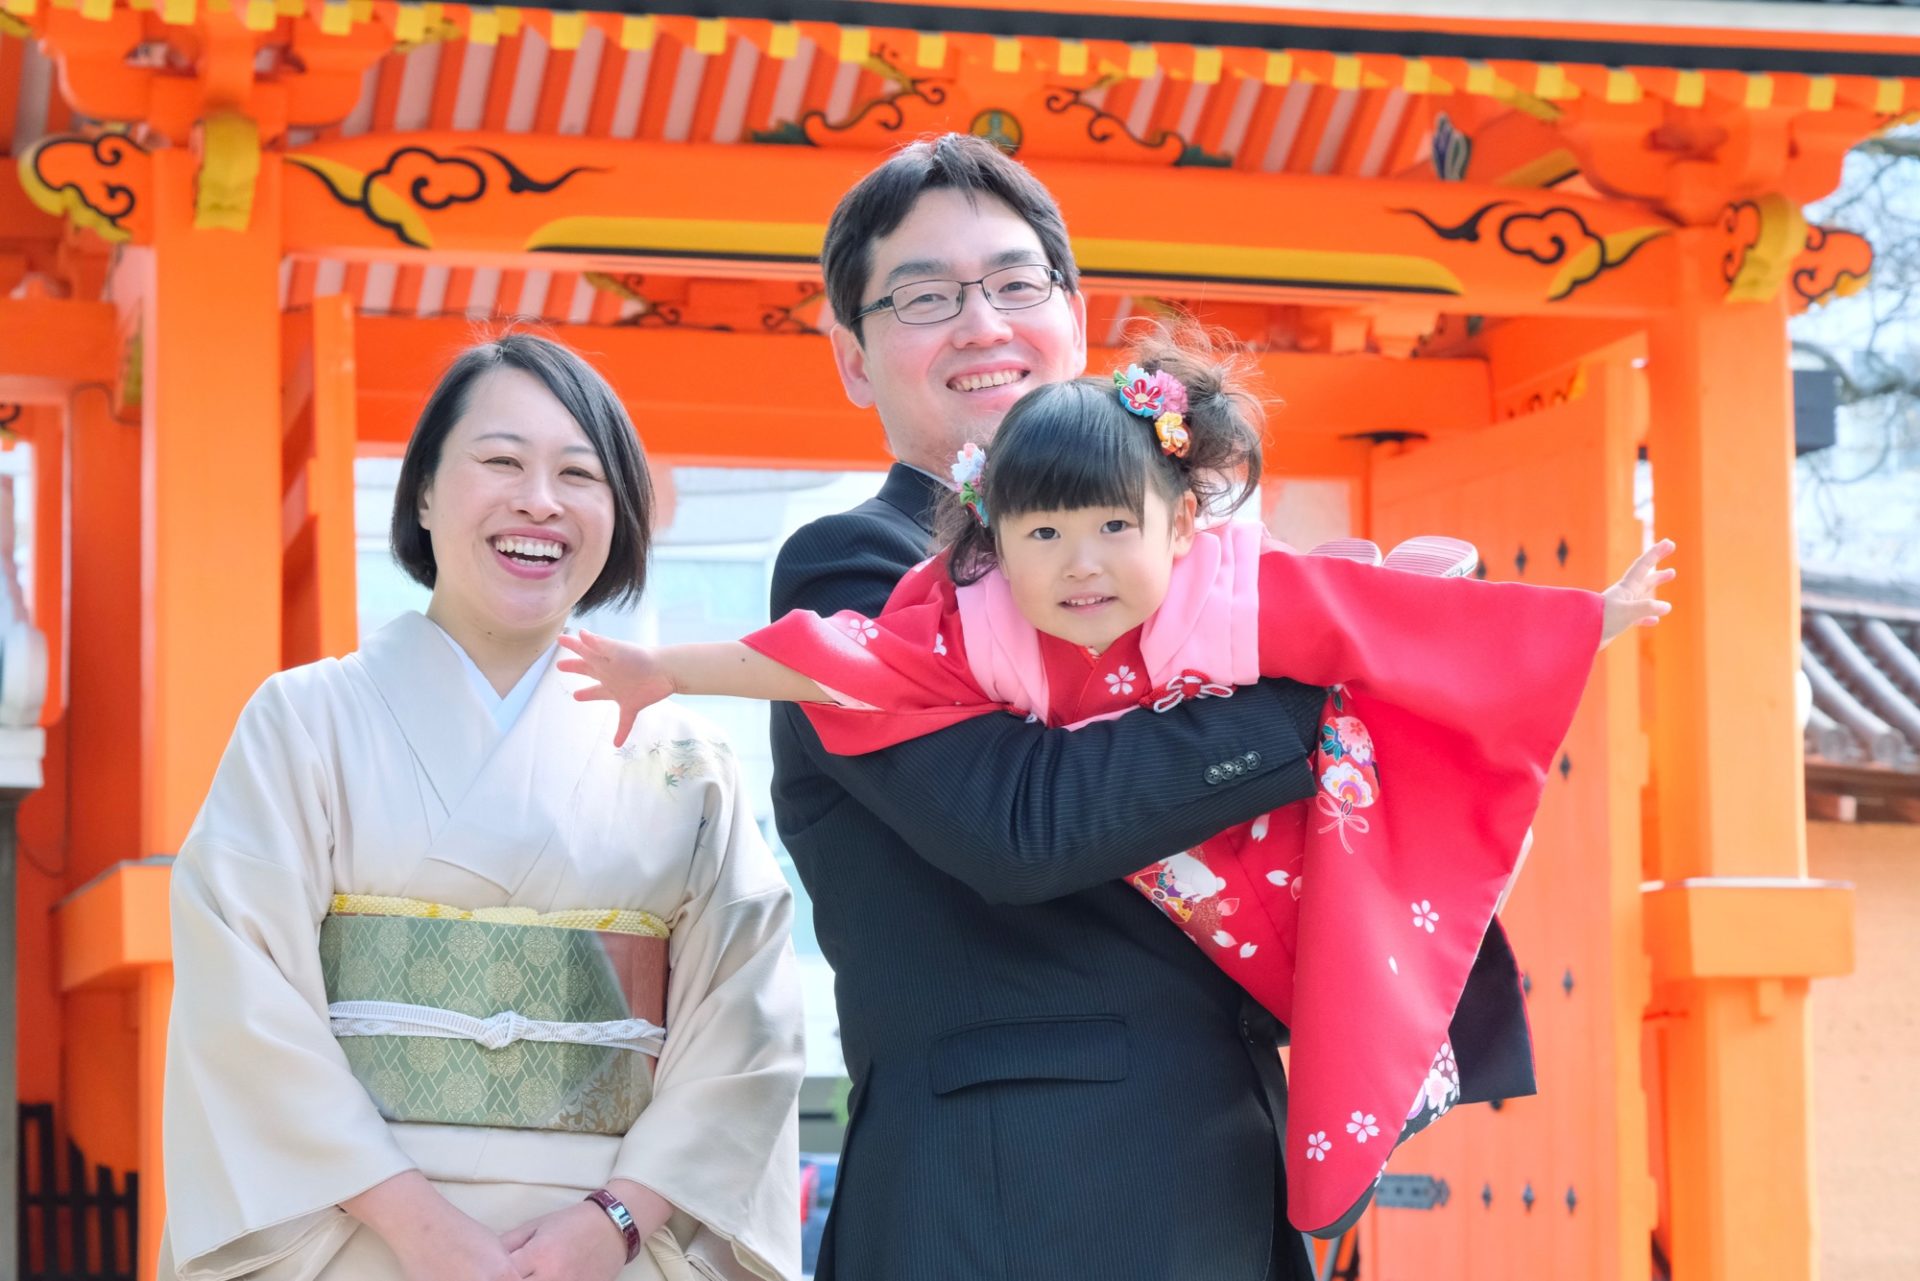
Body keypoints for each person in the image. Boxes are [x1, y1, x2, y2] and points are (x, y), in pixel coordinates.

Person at [556, 322, 1673, 1234]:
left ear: (1182, 525)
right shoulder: (967, 617)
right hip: (1151, 946)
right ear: (992, 537)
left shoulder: (1232, 592)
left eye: (1112, 528)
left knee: (1359, 908)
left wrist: (1588, 623)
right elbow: (834, 659)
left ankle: (1392, 1080)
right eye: (1045, 532)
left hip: (1265, 865)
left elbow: (1384, 630)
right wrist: (666, 668)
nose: (1082, 563)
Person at [159, 334, 803, 1281]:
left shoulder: (685, 758)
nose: (539, 500)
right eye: (502, 460)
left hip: (605, 1245)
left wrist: (615, 1221)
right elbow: (241, 1000)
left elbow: (747, 1025)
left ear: (617, 515)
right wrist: (421, 1226)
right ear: (422, 493)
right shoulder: (306, 720)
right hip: (355, 1236)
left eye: (579, 474)